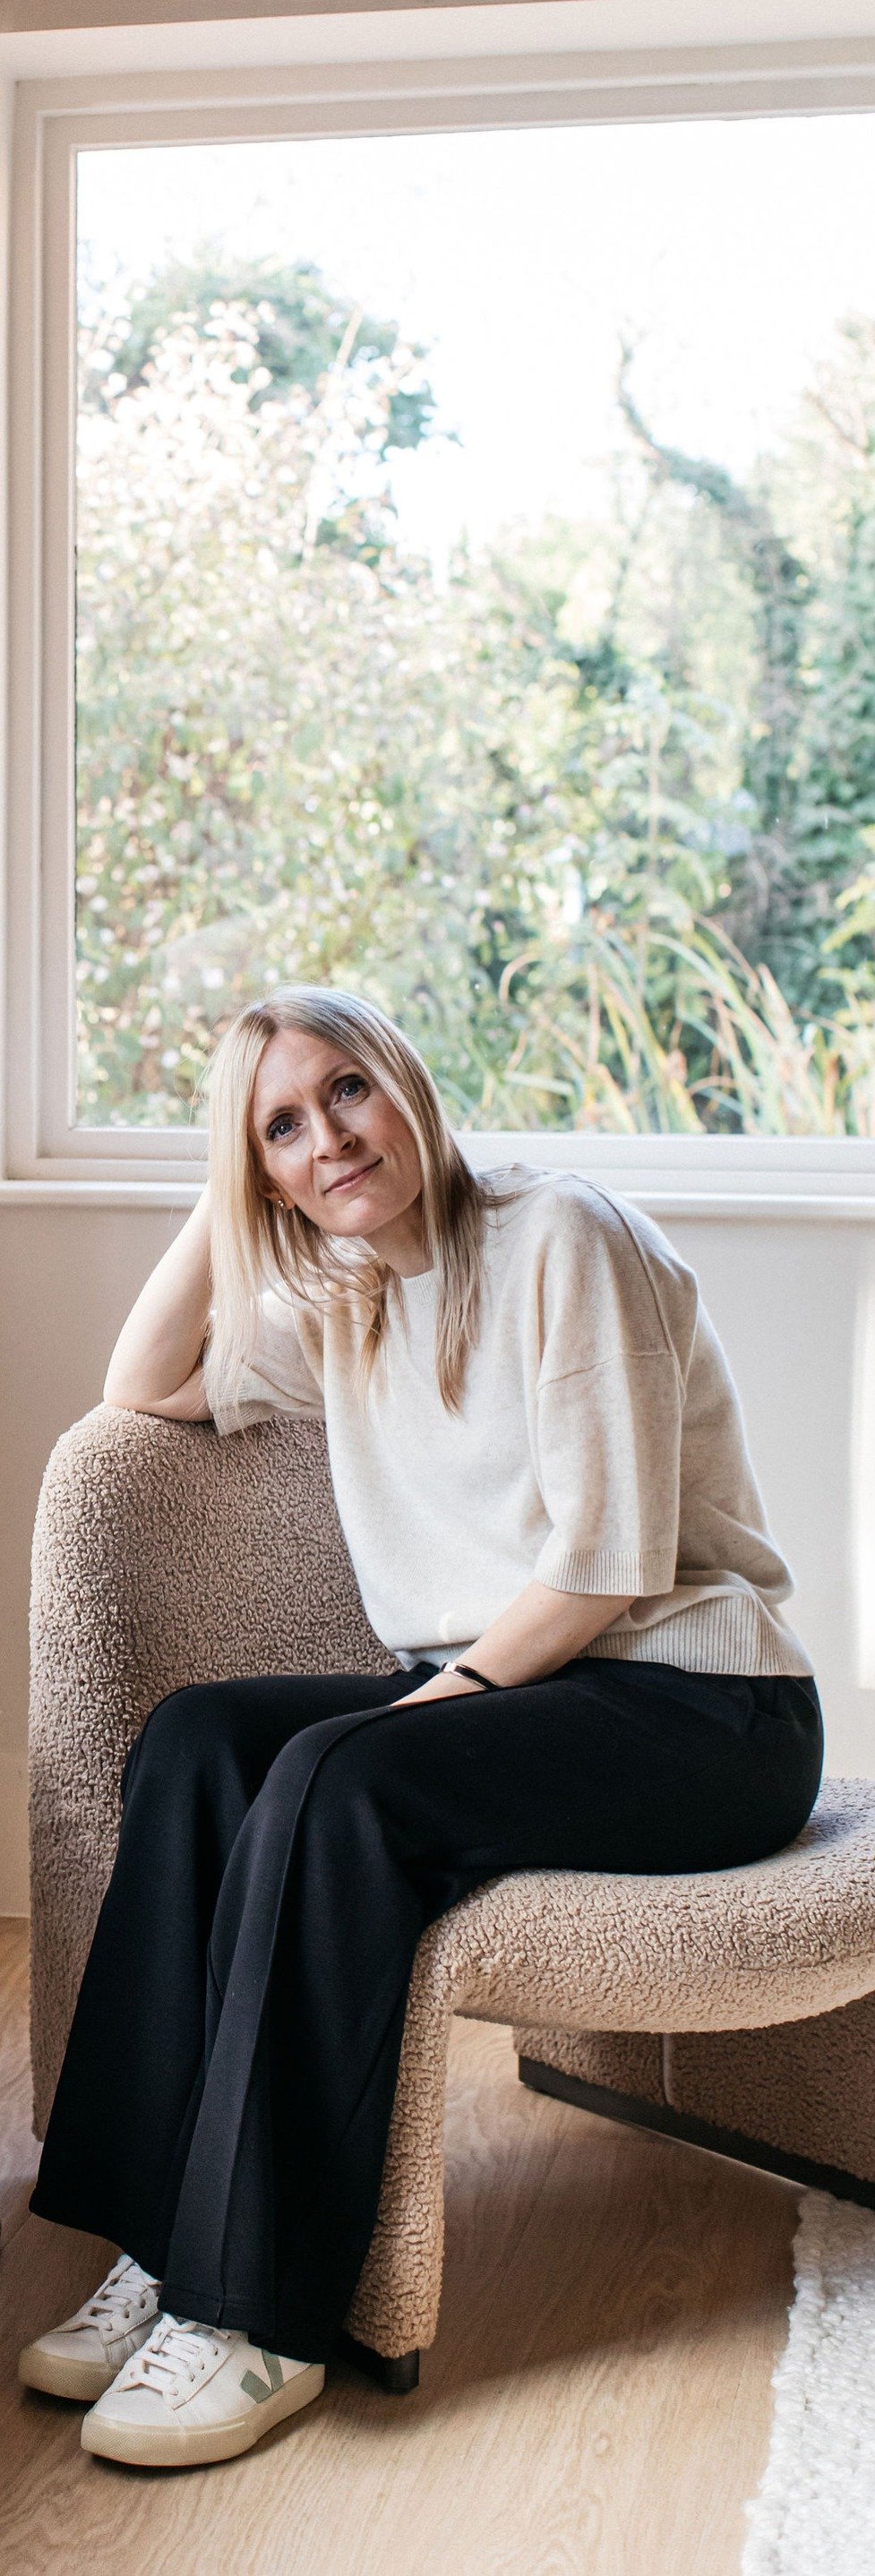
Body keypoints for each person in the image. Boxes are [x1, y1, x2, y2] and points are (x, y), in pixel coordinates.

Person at [19, 985, 824, 2470]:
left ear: (405, 1084)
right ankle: (162, 2235)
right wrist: (226, 1195)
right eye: (280, 1125)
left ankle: (256, 2312)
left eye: (345, 1093)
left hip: (701, 1705)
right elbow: (140, 1387)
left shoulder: (555, 1235)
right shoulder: (344, 1298)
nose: (327, 1138)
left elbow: (599, 1566)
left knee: (340, 1776)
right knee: (201, 1741)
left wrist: (423, 1710)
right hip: (534, 1693)